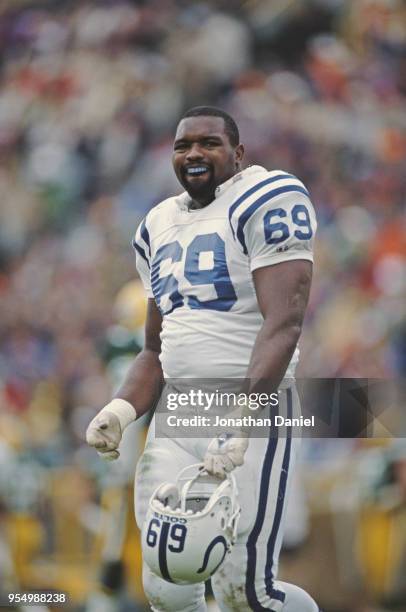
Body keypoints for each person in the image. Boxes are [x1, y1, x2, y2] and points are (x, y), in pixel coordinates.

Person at [86, 106, 319, 611]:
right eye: (182, 145)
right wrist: (121, 410)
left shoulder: (267, 198)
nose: (193, 153)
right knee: (167, 585)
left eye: (208, 143)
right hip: (176, 412)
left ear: (237, 153)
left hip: (250, 406)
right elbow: (155, 349)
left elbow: (285, 322)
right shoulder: (158, 225)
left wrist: (243, 422)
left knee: (248, 594)